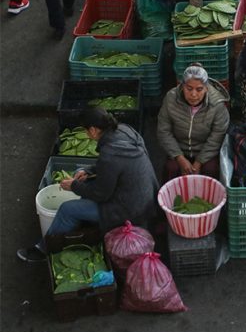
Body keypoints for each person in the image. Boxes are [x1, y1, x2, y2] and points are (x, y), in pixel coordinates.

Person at [17, 108, 159, 263]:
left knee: (67, 209)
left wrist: (73, 186)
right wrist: (88, 171)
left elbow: (101, 194)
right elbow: (117, 167)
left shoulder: (109, 155)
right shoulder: (126, 131)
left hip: (129, 210)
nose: (86, 134)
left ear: (93, 130)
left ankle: (43, 250)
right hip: (147, 197)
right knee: (86, 187)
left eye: (85, 130)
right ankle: (83, 227)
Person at [157, 64, 230, 181]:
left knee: (211, 170)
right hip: (179, 148)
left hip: (205, 151)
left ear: (206, 88)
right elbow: (163, 131)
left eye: (199, 89)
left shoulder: (217, 104)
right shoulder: (171, 99)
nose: (194, 94)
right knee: (171, 168)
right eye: (189, 88)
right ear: (182, 86)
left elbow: (217, 136)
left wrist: (199, 162)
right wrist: (179, 158)